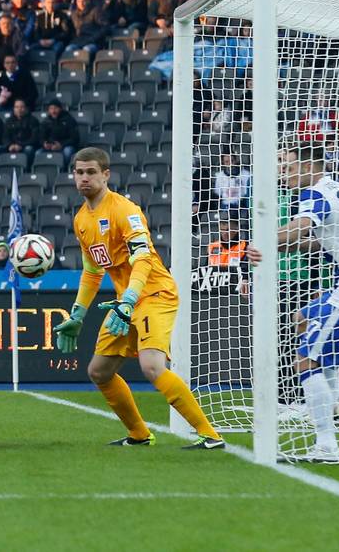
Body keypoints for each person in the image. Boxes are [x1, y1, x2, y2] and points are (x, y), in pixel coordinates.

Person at [52, 148, 224, 449]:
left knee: (152, 366)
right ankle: (139, 435)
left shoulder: (125, 210)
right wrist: (78, 314)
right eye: (79, 172)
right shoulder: (81, 219)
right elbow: (92, 272)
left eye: (91, 172)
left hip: (154, 293)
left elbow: (143, 259)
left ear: (106, 174)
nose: (84, 178)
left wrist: (129, 299)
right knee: (99, 371)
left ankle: (210, 435)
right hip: (125, 302)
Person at [244, 145, 339, 459]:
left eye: (291, 166)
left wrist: (265, 239)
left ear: (311, 167)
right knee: (303, 318)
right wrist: (279, 249)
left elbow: (302, 227)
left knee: (306, 361)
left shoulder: (314, 194)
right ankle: (333, 399)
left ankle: (326, 444)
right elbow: (318, 240)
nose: (286, 172)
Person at [41, 100, 80, 165]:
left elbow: (75, 138)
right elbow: (41, 137)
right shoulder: (46, 121)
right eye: (51, 109)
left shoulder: (69, 120)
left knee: (68, 151)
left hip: (66, 145)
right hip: (51, 146)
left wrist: (61, 144)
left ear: (60, 109)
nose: (53, 111)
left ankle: (65, 170)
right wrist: (44, 143)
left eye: (55, 108)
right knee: (38, 153)